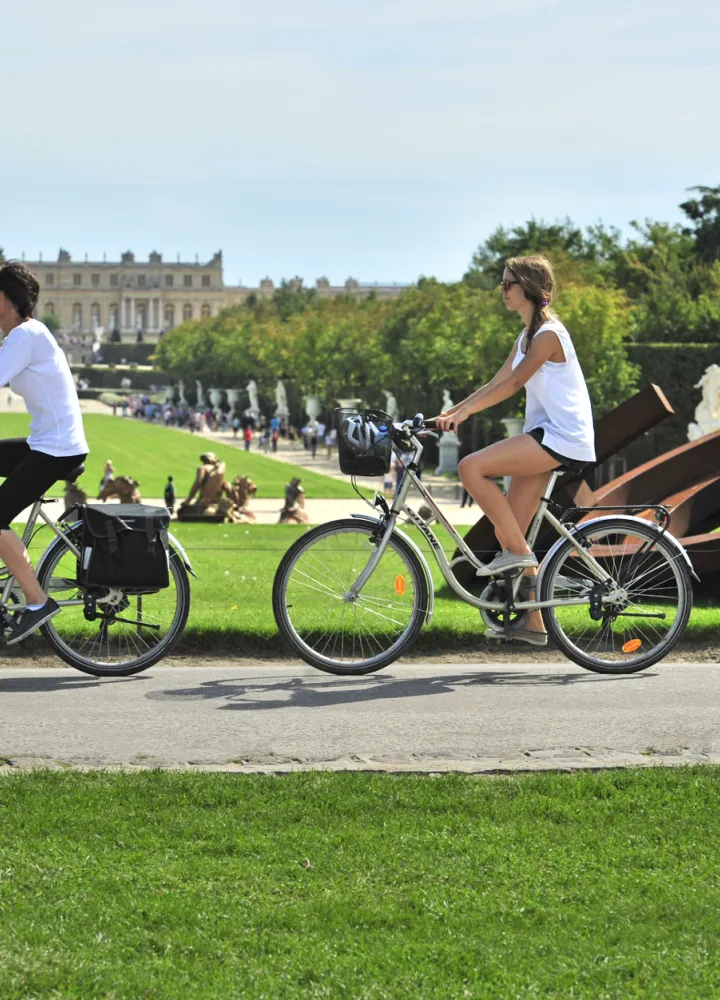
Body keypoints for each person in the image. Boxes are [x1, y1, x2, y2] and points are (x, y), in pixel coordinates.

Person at [434, 255, 595, 647]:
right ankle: (535, 624)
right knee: (512, 537)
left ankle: (523, 560)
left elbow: (513, 385)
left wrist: (466, 413)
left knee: (472, 468)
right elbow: (497, 380)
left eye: (507, 284)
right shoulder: (525, 337)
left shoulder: (549, 336)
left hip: (562, 438)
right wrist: (451, 412)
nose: (502, 290)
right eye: (502, 283)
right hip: (546, 435)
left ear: (528, 289)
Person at [0, 260, 89, 644]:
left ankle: (37, 600)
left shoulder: (25, 336)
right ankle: (17, 564)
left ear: (4, 300)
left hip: (56, 450)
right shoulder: (23, 335)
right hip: (48, 443)